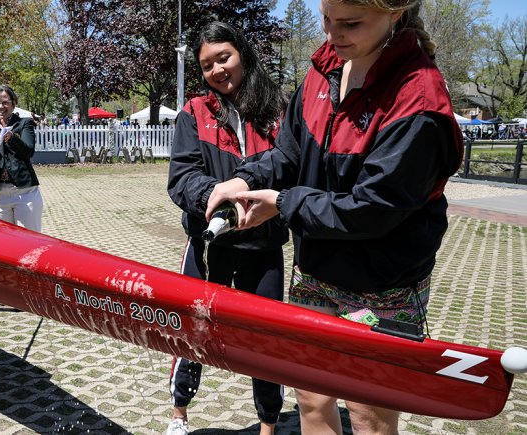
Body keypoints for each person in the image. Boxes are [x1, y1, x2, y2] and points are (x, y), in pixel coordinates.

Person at [206, 1, 463, 433]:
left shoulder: (419, 100)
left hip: (384, 281)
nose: (332, 34)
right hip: (315, 268)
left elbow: (372, 210)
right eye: (327, 19)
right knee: (310, 395)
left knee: (368, 415)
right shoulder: (324, 70)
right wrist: (245, 178)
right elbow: (290, 151)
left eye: (350, 23)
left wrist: (284, 204)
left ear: (395, 12)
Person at [165, 22, 287, 435]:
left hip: (264, 244)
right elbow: (181, 179)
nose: (217, 70)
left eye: (224, 57)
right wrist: (218, 197)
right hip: (208, 242)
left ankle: (268, 423)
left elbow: (291, 169)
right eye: (206, 65)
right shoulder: (193, 113)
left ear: (243, 55)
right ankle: (179, 414)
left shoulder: (276, 111)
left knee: (266, 340)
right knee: (192, 329)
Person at [0, 85, 43, 232]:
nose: (0, 106)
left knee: (29, 239)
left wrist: (10, 137)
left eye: (5, 102)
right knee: (3, 241)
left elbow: (28, 151)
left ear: (13, 103)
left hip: (24, 193)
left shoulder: (24, 123)